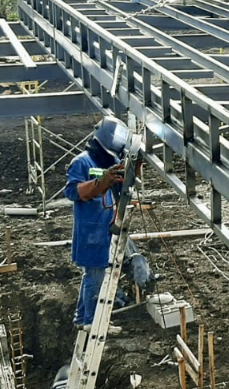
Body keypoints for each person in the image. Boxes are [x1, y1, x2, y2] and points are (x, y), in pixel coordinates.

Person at [64, 116, 135, 331]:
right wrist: (98, 183)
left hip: (104, 228)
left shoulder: (110, 163)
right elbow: (71, 191)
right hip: (90, 231)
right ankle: (92, 322)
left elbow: (122, 188)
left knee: (92, 276)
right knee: (95, 276)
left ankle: (82, 317)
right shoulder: (82, 162)